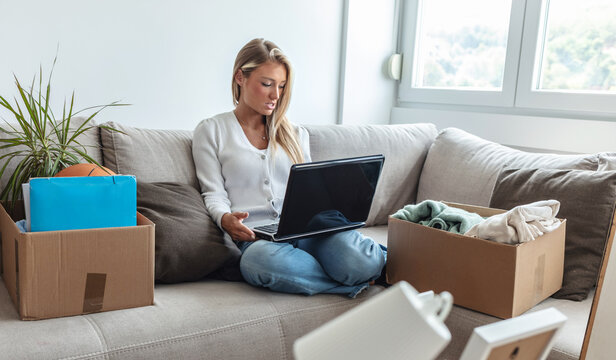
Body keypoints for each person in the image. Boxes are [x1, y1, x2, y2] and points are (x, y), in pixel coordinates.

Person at [192, 38, 386, 298]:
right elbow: (213, 193)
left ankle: (369, 267)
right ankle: (353, 284)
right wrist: (224, 219)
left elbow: (310, 190)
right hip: (259, 240)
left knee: (359, 261)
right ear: (240, 77)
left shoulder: (295, 133)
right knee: (256, 264)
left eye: (281, 86)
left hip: (309, 229)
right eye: (267, 84)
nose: (276, 95)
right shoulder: (211, 130)